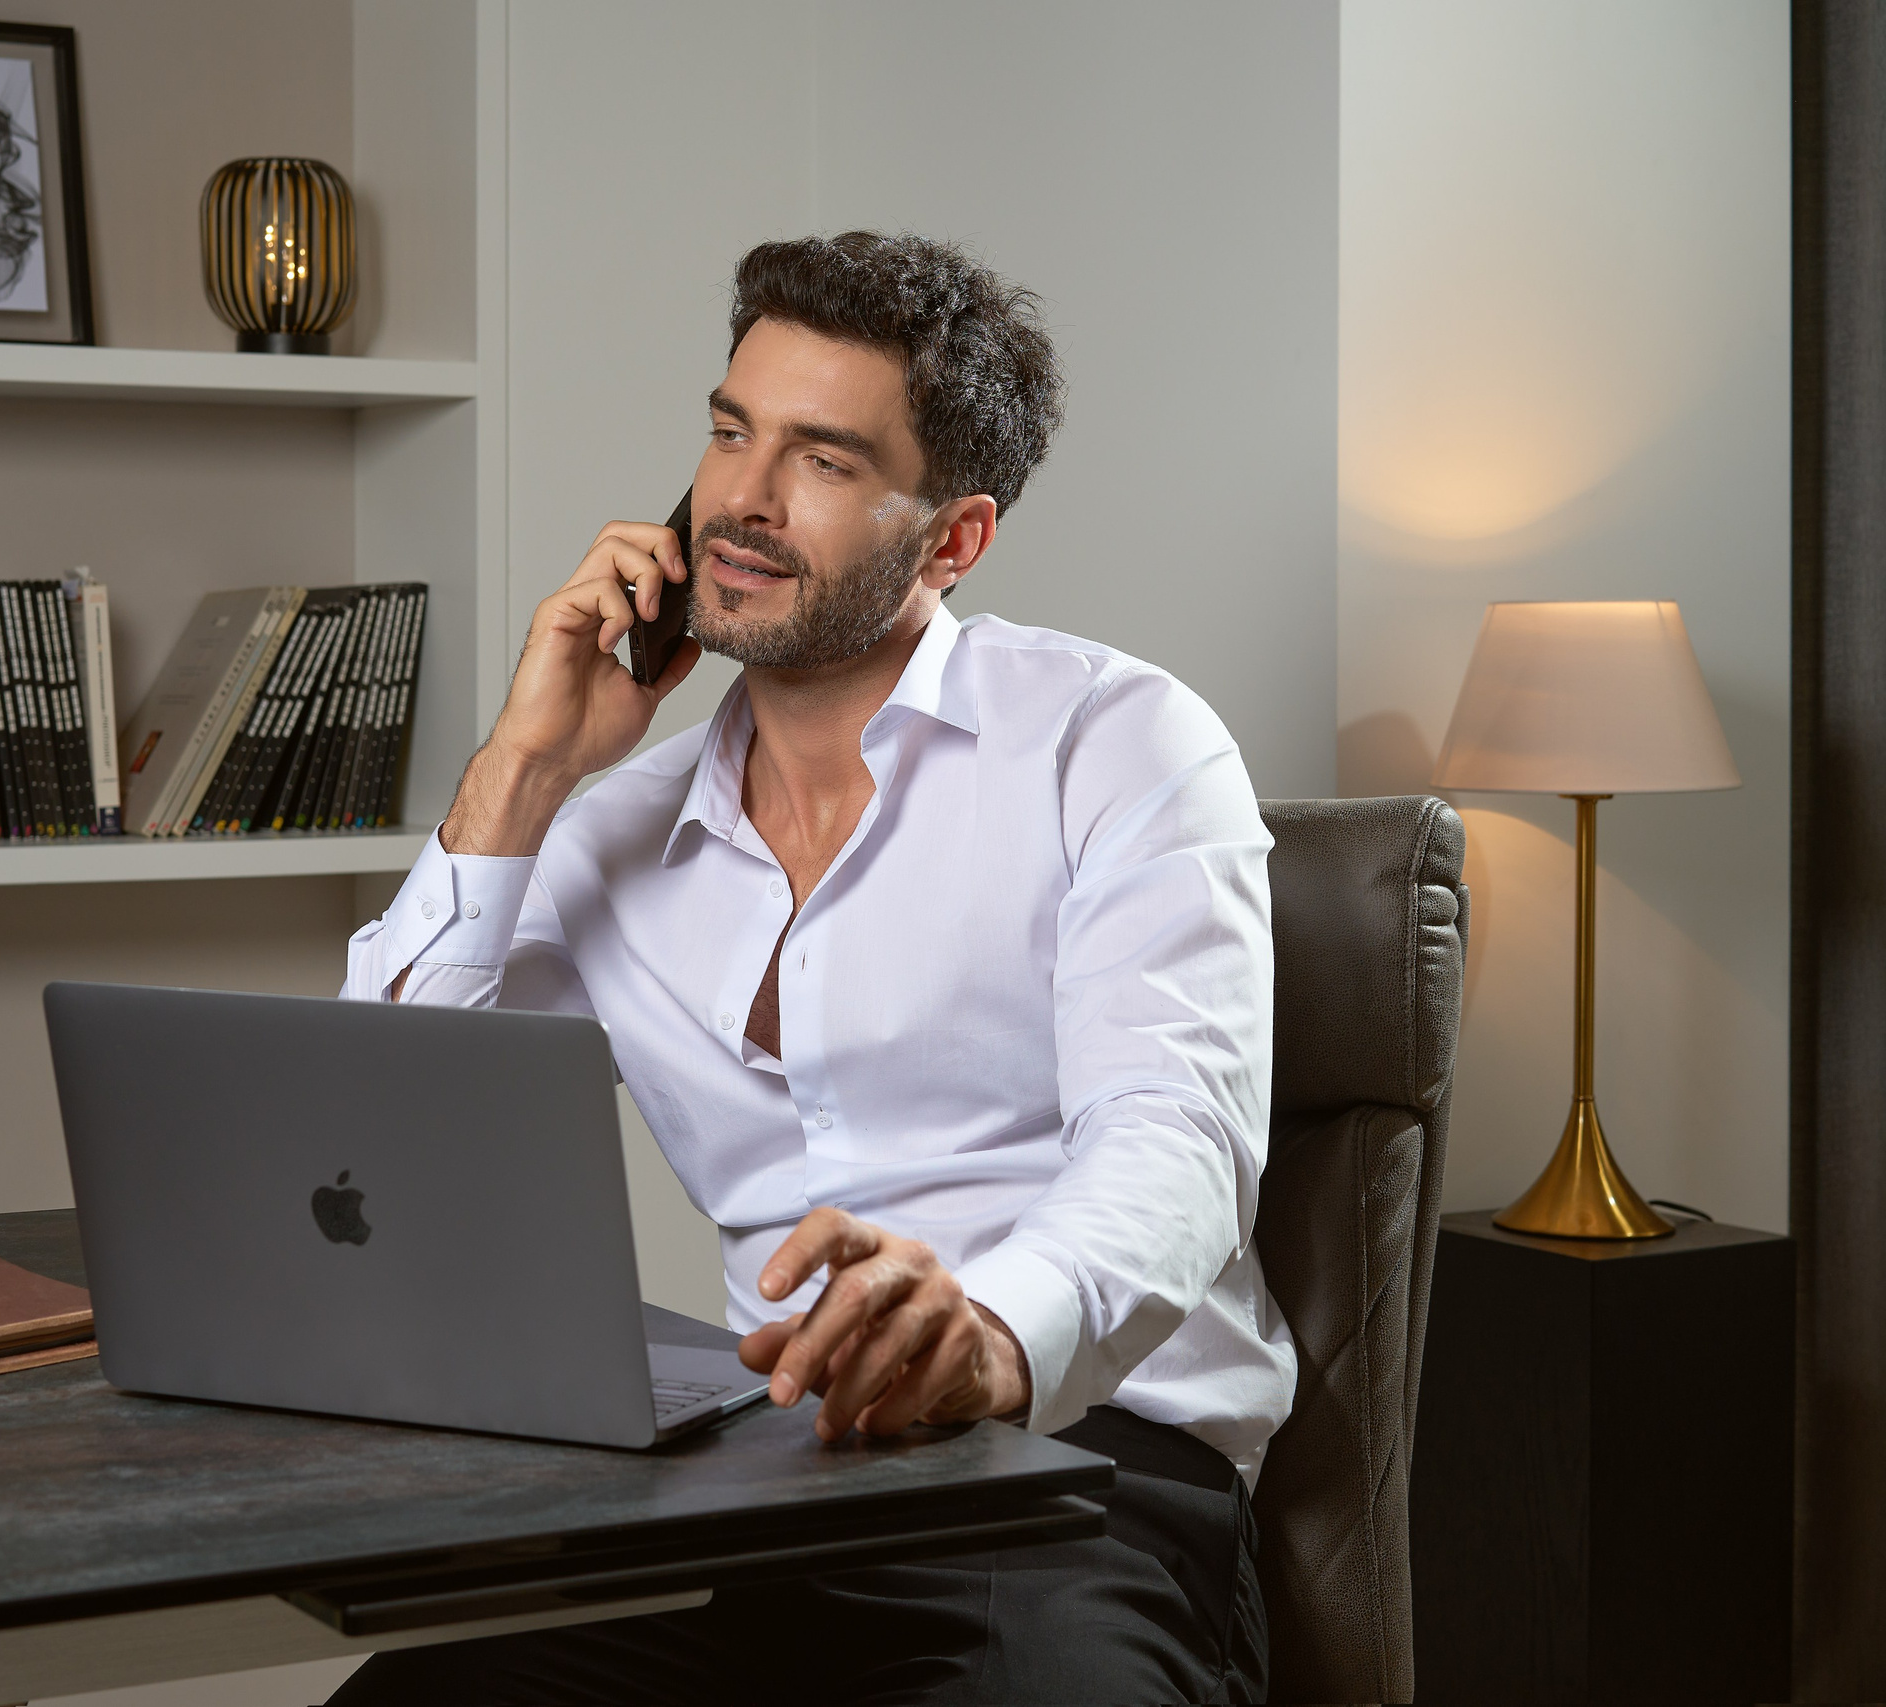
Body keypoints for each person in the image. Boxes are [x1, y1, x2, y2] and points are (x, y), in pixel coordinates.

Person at [329, 232, 1287, 1705]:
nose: (741, 504)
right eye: (729, 433)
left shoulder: (1121, 745)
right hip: (766, 1483)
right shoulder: (614, 829)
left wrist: (986, 1333)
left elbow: (1179, 1142)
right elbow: (375, 1145)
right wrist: (524, 767)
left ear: (953, 539)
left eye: (824, 461)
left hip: (1073, 1478)